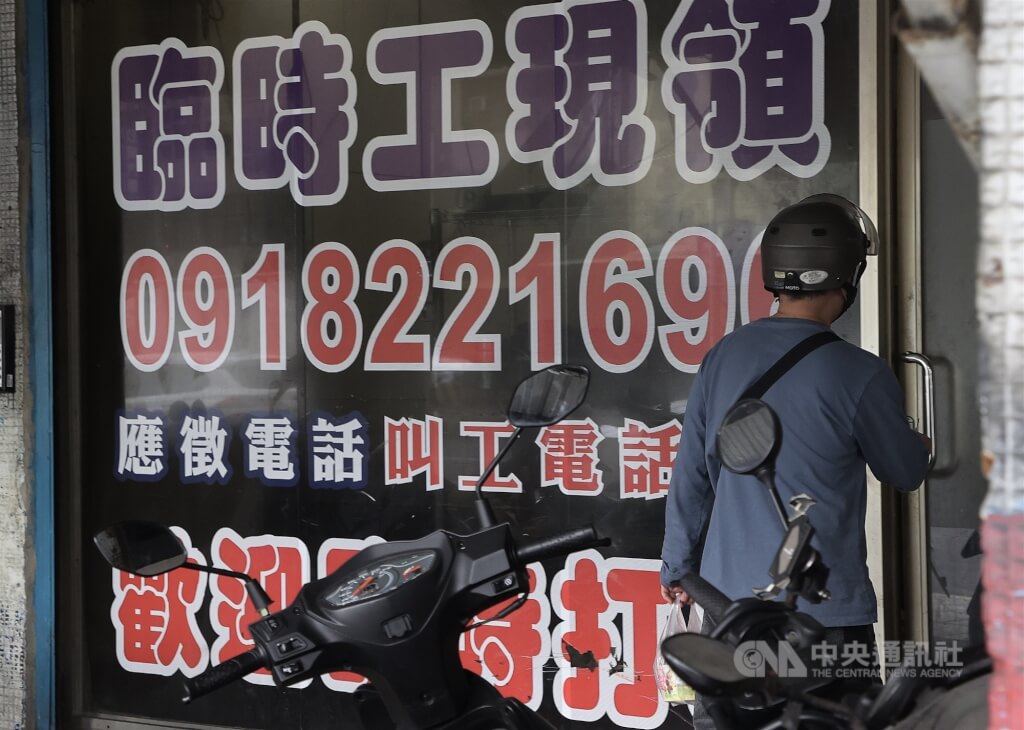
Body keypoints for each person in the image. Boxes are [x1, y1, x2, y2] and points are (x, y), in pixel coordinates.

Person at [659, 194, 930, 727]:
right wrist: (915, 442)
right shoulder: (859, 373)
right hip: (822, 618)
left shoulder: (724, 356)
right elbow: (904, 472)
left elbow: (691, 473)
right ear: (849, 275)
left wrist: (677, 566)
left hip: (728, 612)